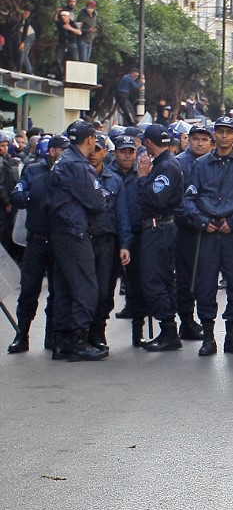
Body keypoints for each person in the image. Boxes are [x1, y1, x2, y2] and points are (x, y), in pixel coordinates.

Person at [183, 116, 233, 356]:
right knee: (205, 286)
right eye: (220, 131)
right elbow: (189, 197)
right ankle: (208, 337)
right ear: (214, 135)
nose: (224, 136)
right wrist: (202, 221)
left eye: (229, 132)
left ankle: (232, 337)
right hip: (207, 233)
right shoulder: (200, 165)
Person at [47, 122, 107, 362]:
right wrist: (103, 194)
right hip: (74, 230)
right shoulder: (78, 166)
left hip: (60, 230)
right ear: (91, 139)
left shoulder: (64, 160)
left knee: (64, 287)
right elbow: (96, 201)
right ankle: (78, 340)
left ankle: (61, 340)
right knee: (86, 286)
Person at [7, 136, 66, 353]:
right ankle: (22, 334)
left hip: (60, 240)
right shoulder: (33, 171)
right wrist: (35, 198)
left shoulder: (69, 169)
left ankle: (53, 335)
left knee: (58, 291)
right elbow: (17, 196)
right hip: (37, 239)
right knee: (29, 290)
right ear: (52, 151)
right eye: (62, 150)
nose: (65, 153)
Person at [136, 124, 185, 352]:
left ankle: (168, 329)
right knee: (163, 279)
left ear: (147, 142)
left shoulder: (166, 166)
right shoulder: (165, 162)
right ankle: (168, 328)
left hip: (159, 229)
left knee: (153, 279)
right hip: (159, 229)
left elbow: (157, 200)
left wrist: (142, 178)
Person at [86, 134, 131, 352]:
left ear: (106, 152)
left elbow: (122, 215)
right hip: (82, 242)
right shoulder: (79, 175)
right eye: (90, 149)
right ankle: (78, 334)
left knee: (104, 291)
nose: (93, 154)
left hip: (107, 243)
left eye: (98, 150)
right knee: (82, 290)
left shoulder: (114, 180)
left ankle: (98, 331)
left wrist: (124, 244)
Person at [174, 124, 212, 341]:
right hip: (186, 229)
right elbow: (178, 199)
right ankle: (186, 320)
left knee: (205, 278)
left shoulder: (213, 162)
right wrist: (192, 219)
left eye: (204, 139)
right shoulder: (179, 163)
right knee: (186, 277)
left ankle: (201, 319)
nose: (199, 143)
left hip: (209, 228)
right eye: (195, 139)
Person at [109, 135, 147, 346]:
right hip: (109, 236)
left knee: (137, 286)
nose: (127, 155)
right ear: (115, 153)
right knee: (105, 287)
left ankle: (137, 331)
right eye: (123, 151)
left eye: (130, 152)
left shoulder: (140, 173)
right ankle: (97, 333)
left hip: (136, 236)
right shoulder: (106, 174)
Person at [0, 133, 21, 260]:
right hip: (3, 205)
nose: (4, 148)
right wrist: (7, 203)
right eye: (2, 146)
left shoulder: (8, 159)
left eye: (6, 145)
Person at [54, 11, 81, 76]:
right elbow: (55, 20)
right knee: (58, 60)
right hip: (62, 44)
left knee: (74, 62)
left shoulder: (73, 23)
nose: (63, 18)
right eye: (62, 16)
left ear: (68, 17)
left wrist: (70, 28)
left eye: (64, 16)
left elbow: (79, 32)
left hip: (72, 44)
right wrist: (56, 12)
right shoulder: (60, 23)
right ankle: (62, 75)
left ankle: (72, 76)